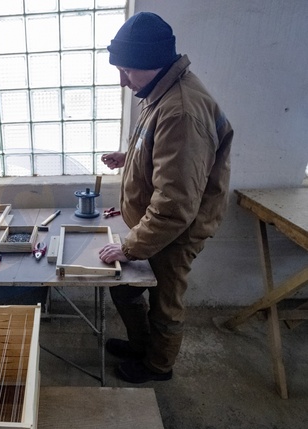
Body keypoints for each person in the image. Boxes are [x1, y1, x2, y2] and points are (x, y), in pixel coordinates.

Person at [99, 12, 233, 383]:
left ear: (153, 62)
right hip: (154, 224)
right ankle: (141, 345)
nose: (123, 81)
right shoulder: (159, 90)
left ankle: (158, 366)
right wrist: (130, 158)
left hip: (176, 231)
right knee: (126, 289)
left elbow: (175, 205)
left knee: (165, 301)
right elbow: (166, 154)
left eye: (127, 71)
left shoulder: (182, 111)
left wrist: (129, 247)